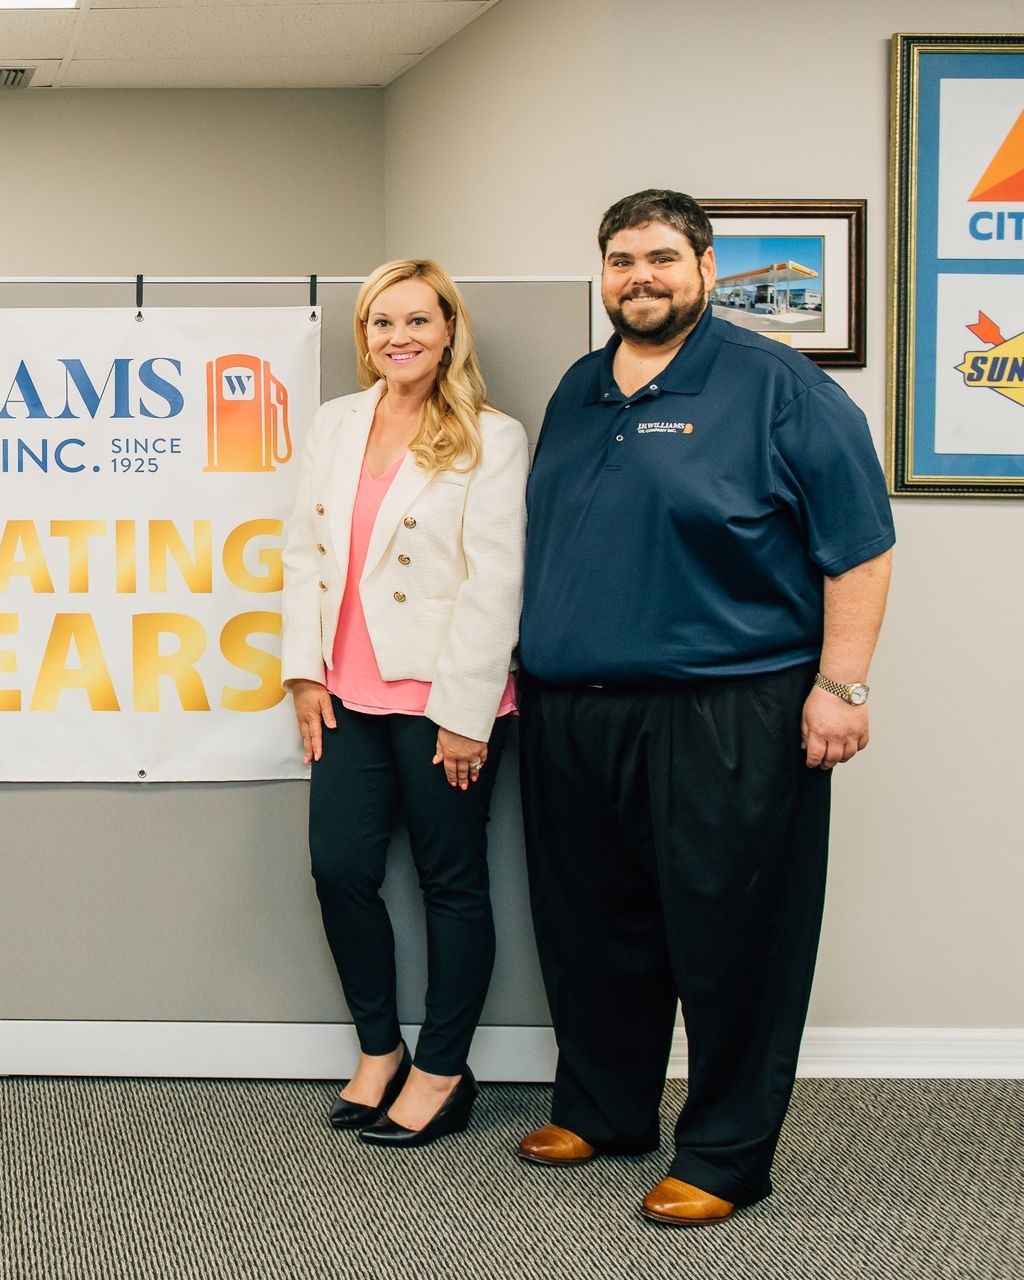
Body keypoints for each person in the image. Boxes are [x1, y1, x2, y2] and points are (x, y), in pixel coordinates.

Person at [515, 189, 894, 1224]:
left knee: (735, 937)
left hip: (728, 709)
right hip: (575, 711)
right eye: (622, 260)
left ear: (706, 267)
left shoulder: (777, 385)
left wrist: (841, 684)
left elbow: (859, 543)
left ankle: (725, 1154)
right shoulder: (580, 387)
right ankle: (603, 1108)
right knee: (593, 927)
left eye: (661, 258)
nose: (640, 277)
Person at [280, 259, 527, 1148]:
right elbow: (303, 554)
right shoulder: (338, 423)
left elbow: (496, 581)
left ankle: (442, 1068)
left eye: (419, 321)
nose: (400, 338)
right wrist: (303, 669)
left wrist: (467, 711)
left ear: (450, 329)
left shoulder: (491, 437)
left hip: (442, 700)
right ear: (365, 335)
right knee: (339, 868)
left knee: (450, 882)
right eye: (383, 323)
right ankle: (379, 1050)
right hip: (345, 691)